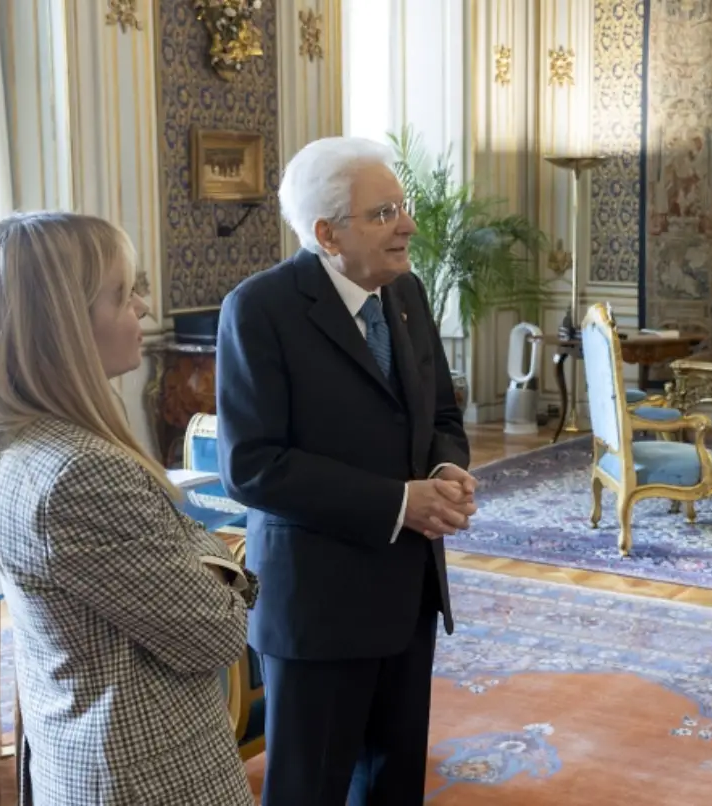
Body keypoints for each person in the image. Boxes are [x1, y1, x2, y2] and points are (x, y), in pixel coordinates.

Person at [0, 212, 256, 806]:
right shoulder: (83, 471)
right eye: (122, 295)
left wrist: (179, 537)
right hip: (146, 775)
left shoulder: (19, 445)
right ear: (65, 325)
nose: (143, 308)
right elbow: (219, 634)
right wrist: (208, 548)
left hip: (88, 757)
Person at [216, 136, 476, 806]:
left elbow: (441, 414)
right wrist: (400, 502)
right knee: (310, 791)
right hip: (320, 607)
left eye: (402, 206)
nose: (408, 224)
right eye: (384, 213)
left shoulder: (407, 292)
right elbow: (251, 465)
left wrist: (445, 470)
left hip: (409, 592)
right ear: (327, 234)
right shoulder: (260, 309)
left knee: (395, 786)